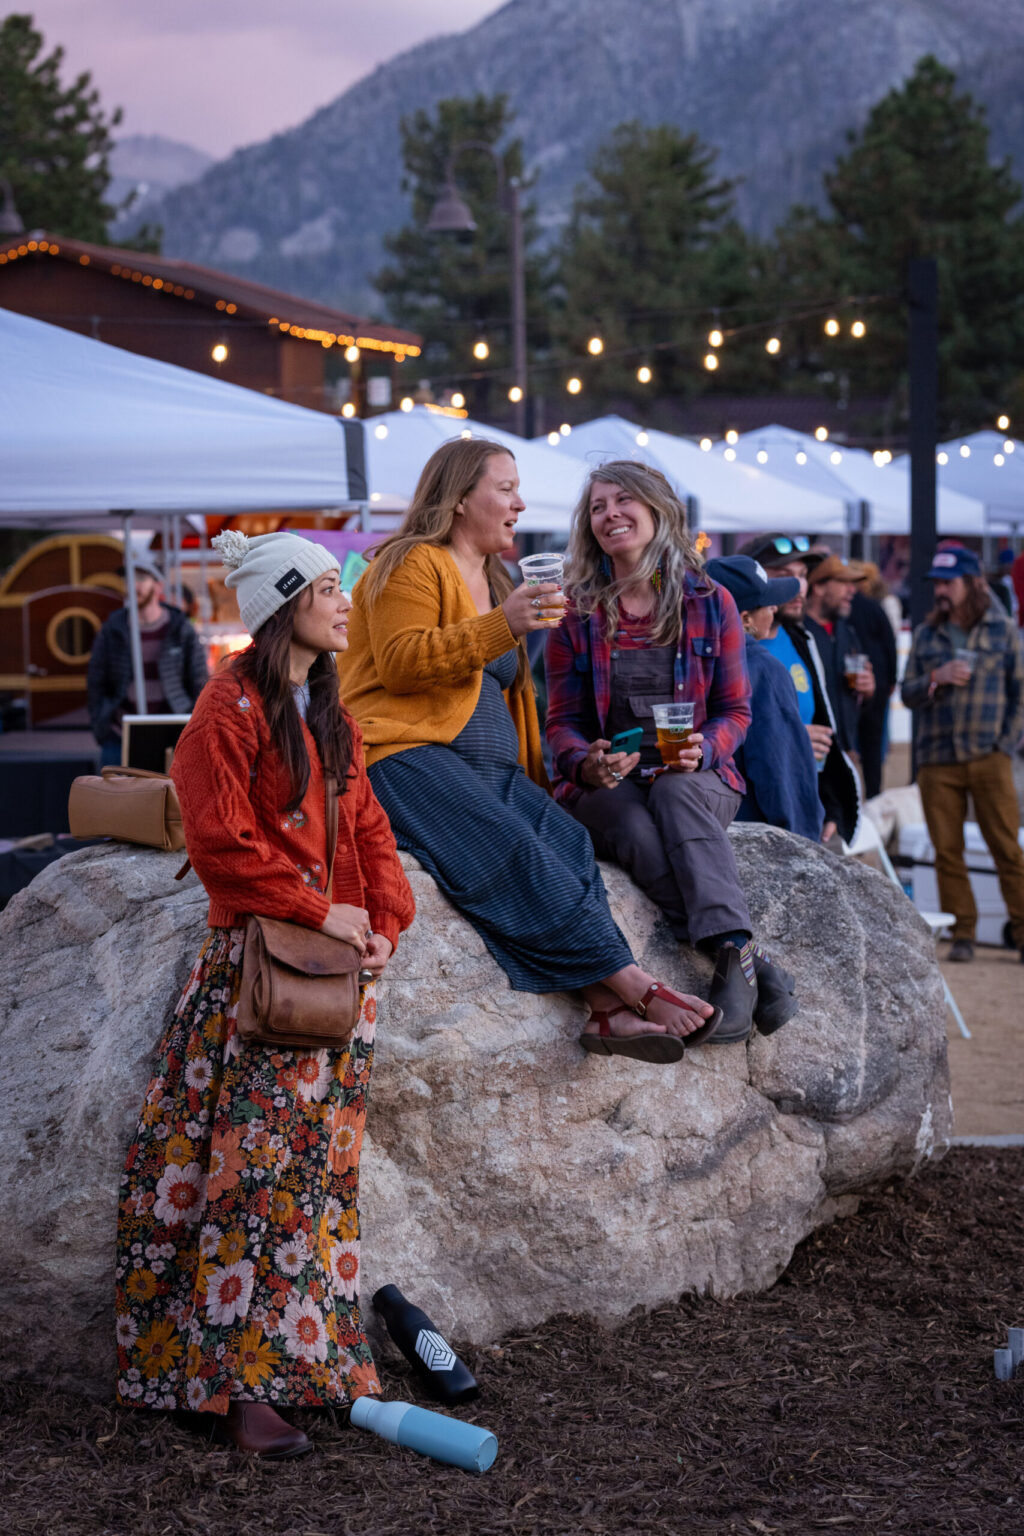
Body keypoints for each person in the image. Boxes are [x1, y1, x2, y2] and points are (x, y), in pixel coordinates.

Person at [114, 531, 415, 1458]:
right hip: (255, 976)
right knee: (250, 1181)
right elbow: (218, 842)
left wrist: (382, 921)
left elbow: (367, 827)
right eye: (327, 588)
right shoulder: (226, 708)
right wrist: (318, 910)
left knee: (314, 1186)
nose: (343, 603)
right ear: (284, 604)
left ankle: (308, 1368)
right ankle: (235, 1388)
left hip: (329, 979)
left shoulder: (330, 710)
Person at [339, 436, 717, 1064]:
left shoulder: (495, 577)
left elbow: (516, 699)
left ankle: (604, 1012)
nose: (520, 503)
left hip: (491, 768)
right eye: (506, 488)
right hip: (404, 755)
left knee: (566, 842)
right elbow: (402, 665)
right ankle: (632, 985)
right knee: (509, 847)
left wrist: (546, 777)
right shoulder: (408, 563)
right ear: (460, 498)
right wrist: (504, 625)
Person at [545, 462, 799, 1042]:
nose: (609, 515)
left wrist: (705, 749)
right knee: (632, 827)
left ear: (659, 509)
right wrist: (586, 761)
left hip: (699, 778)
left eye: (622, 500)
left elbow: (737, 713)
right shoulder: (576, 612)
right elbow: (561, 723)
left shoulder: (713, 602)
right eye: (597, 506)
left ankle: (737, 962)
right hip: (610, 784)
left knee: (676, 789)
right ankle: (748, 960)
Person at [901, 543, 1024, 963]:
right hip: (937, 759)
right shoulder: (925, 634)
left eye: (948, 583)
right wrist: (935, 677)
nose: (941, 591)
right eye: (936, 583)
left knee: (1006, 847)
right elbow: (907, 693)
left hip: (989, 756)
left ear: (972, 584)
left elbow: (1020, 694)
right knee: (946, 851)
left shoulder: (1002, 630)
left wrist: (1004, 744)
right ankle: (964, 933)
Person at [738, 534, 861, 846]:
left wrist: (829, 806)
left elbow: (824, 727)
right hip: (757, 819)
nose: (799, 587)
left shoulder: (802, 639)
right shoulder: (734, 653)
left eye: (803, 576)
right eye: (784, 577)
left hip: (807, 810)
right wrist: (787, 737)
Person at [704, 555, 823, 842]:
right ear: (744, 619)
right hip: (756, 840)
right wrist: (805, 844)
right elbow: (782, 776)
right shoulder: (763, 670)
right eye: (768, 604)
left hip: (700, 829)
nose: (774, 610)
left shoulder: (684, 660)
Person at [87, 557, 208, 766]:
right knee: (115, 796)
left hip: (172, 731)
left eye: (142, 578)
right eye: (129, 579)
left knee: (170, 796)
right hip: (120, 732)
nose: (134, 586)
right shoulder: (113, 630)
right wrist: (101, 724)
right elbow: (96, 681)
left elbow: (199, 680)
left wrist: (196, 724)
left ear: (158, 585)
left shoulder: (179, 629)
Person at [850, 563, 899, 800]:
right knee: (872, 742)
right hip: (877, 681)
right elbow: (890, 644)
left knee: (850, 743)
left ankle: (851, 797)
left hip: (850, 684)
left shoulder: (842, 609)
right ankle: (874, 795)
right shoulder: (874, 607)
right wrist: (891, 679)